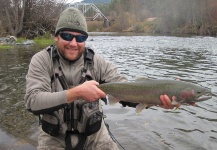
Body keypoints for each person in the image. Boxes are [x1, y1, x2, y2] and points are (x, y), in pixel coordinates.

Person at [24, 7, 179, 150]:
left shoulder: (98, 63)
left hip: (95, 136)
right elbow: (33, 101)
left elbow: (127, 90)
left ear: (85, 39)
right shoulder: (42, 61)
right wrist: (76, 93)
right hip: (54, 138)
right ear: (56, 37)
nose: (73, 43)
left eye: (80, 38)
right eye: (67, 36)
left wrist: (158, 99)